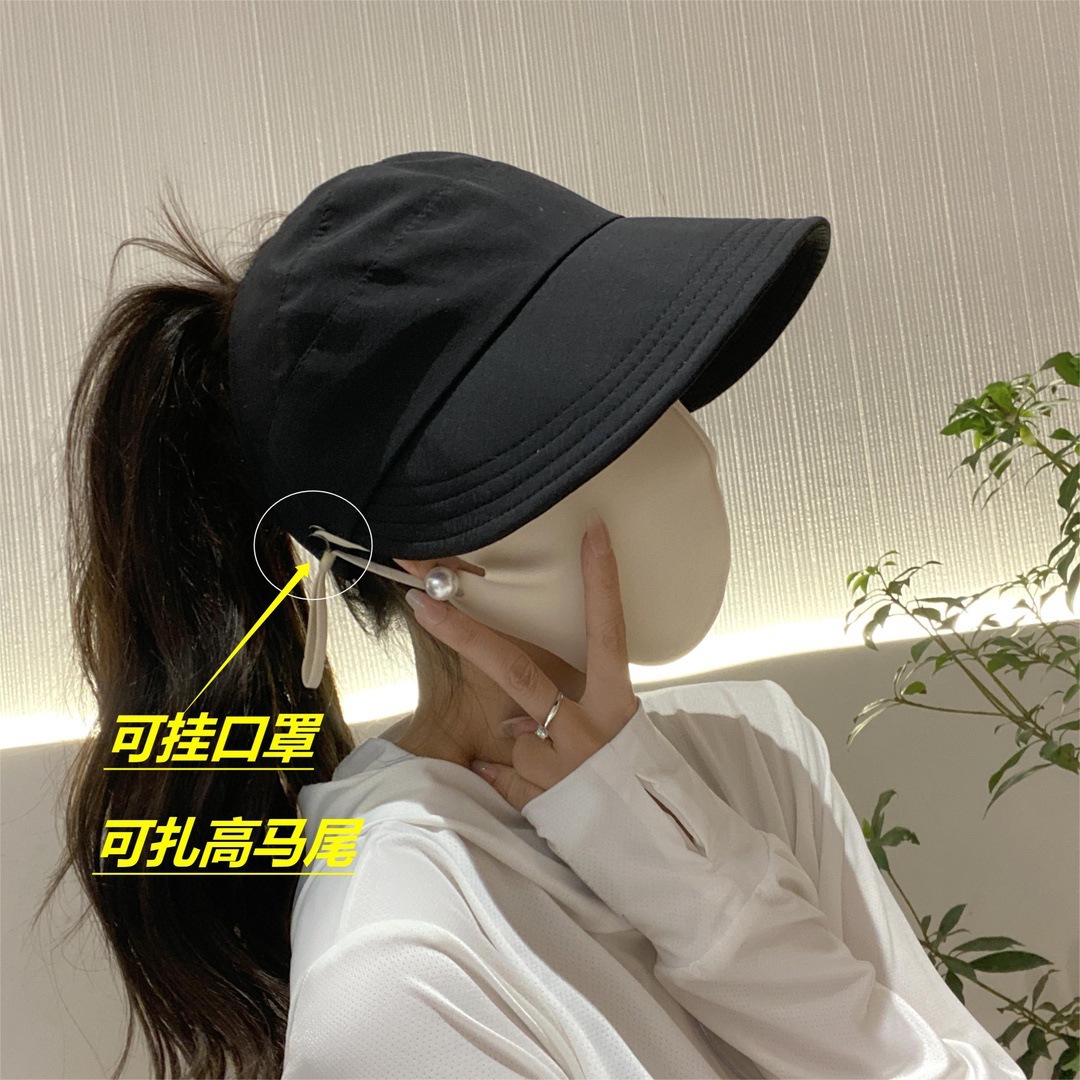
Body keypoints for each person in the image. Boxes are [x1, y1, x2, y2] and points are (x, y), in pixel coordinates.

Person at [40, 150, 1024, 1079]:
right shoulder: (399, 969)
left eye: (657, 390)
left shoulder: (754, 750)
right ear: (426, 563)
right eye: (593, 423)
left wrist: (688, 880)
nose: (684, 448)